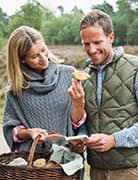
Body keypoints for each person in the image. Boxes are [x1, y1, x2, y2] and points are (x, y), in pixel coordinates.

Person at [79, 10, 138, 180]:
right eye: (86, 44)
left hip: (134, 172)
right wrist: (80, 139)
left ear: (111, 38)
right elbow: (86, 120)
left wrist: (115, 140)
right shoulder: (84, 76)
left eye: (97, 42)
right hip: (97, 172)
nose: (92, 50)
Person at [2, 25, 86, 155]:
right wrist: (29, 133)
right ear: (22, 59)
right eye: (35, 56)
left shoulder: (69, 74)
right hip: (33, 165)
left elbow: (78, 124)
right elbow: (11, 128)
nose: (43, 58)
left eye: (44, 50)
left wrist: (79, 102)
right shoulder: (16, 88)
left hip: (68, 161)